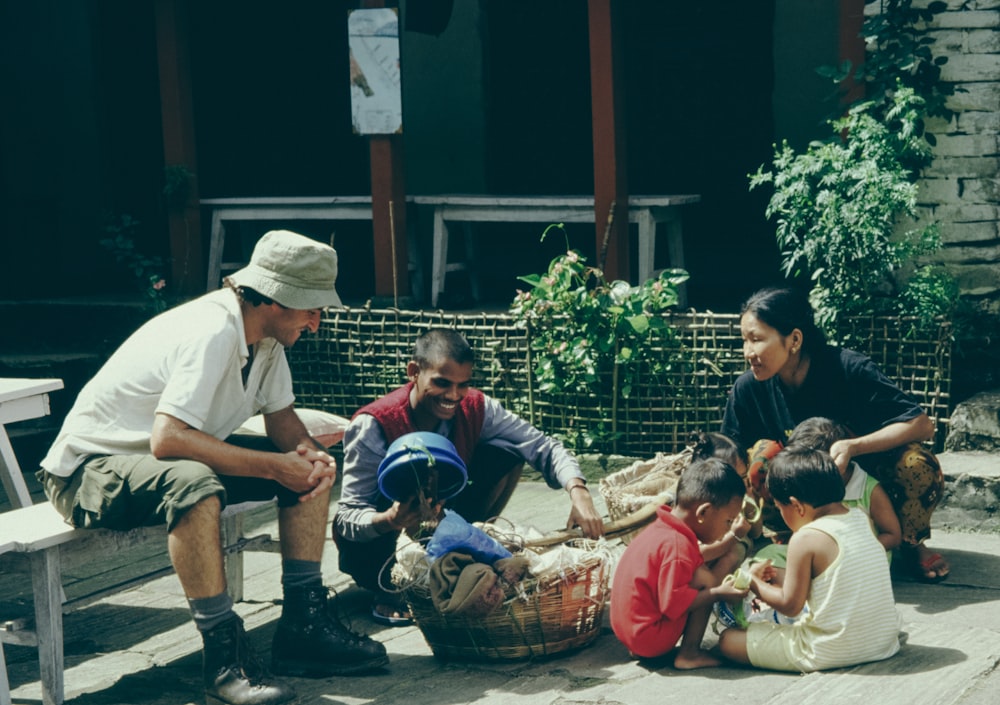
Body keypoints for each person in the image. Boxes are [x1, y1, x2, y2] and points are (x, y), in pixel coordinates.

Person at [38, 230, 387, 705]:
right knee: (197, 483)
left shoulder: (265, 339)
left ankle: (303, 626)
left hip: (157, 461)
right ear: (274, 298)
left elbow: (283, 422)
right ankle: (224, 660)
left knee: (305, 467)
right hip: (86, 472)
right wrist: (273, 466)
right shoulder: (213, 331)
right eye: (311, 308)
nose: (317, 322)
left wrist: (311, 458)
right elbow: (169, 440)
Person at [334, 327, 604, 626]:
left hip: (441, 524)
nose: (453, 395)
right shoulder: (372, 425)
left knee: (508, 452)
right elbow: (347, 518)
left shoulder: (476, 407)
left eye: (463, 385)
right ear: (414, 372)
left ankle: (465, 551)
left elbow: (543, 445)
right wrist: (391, 520)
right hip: (378, 547)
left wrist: (579, 493)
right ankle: (391, 588)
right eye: (442, 383)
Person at [721, 286, 949, 582]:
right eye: (744, 340)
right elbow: (730, 452)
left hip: (864, 484)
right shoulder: (749, 387)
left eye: (757, 339)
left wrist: (854, 447)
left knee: (918, 465)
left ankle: (910, 542)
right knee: (758, 456)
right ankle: (789, 537)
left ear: (794, 340)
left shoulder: (848, 369)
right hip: (801, 490)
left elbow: (921, 424)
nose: (748, 352)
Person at [717, 448, 901, 671]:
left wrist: (752, 581)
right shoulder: (860, 517)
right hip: (884, 644)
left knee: (728, 640)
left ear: (796, 506)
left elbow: (790, 606)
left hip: (826, 650)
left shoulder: (805, 537)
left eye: (779, 507)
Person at [610, 457, 748, 669]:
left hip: (631, 634)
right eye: (728, 521)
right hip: (649, 638)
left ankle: (650, 648)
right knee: (706, 581)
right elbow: (672, 604)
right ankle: (690, 654)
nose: (728, 528)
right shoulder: (678, 546)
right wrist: (718, 592)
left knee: (700, 573)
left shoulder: (661, 529)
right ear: (703, 513)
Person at [787, 417, 902, 555]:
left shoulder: (868, 490)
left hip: (862, 563)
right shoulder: (810, 486)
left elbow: (893, 535)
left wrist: (856, 552)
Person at [687, 432, 756, 580]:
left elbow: (756, 532)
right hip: (701, 565)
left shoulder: (739, 495)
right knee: (729, 555)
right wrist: (734, 536)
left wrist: (751, 506)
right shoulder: (702, 507)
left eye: (743, 477)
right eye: (733, 480)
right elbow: (699, 554)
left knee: (735, 551)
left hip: (732, 545)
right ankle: (709, 596)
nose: (740, 485)